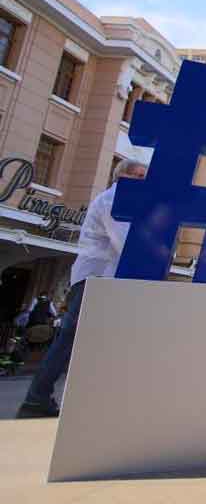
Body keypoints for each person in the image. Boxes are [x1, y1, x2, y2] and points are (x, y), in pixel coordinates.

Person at [16, 159, 148, 419]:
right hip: (95, 279)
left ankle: (55, 399)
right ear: (125, 177)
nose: (145, 181)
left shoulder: (123, 200)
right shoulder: (114, 199)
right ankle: (36, 399)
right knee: (69, 340)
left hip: (105, 280)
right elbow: (125, 243)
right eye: (141, 176)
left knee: (85, 341)